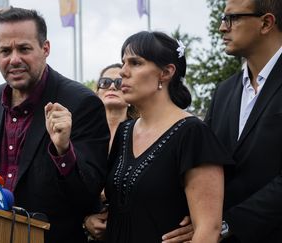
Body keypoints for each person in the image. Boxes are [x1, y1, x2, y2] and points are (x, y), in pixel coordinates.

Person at [0, 7, 110, 243]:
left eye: (24, 48)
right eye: (5, 50)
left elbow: (88, 195)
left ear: (45, 49)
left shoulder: (81, 103)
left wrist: (63, 151)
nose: (14, 59)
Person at [163, 0, 282, 242]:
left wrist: (227, 225)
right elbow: (204, 163)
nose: (221, 28)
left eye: (231, 18)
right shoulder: (224, 91)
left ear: (266, 23)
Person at [104, 31, 232, 243]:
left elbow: (208, 229)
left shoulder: (192, 133)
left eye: (135, 63)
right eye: (123, 62)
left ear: (166, 72)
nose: (123, 73)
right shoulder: (124, 132)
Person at [83, 63, 137, 242]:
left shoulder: (142, 135)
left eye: (119, 82)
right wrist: (85, 220)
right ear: (97, 91)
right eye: (105, 82)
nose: (112, 86)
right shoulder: (82, 134)